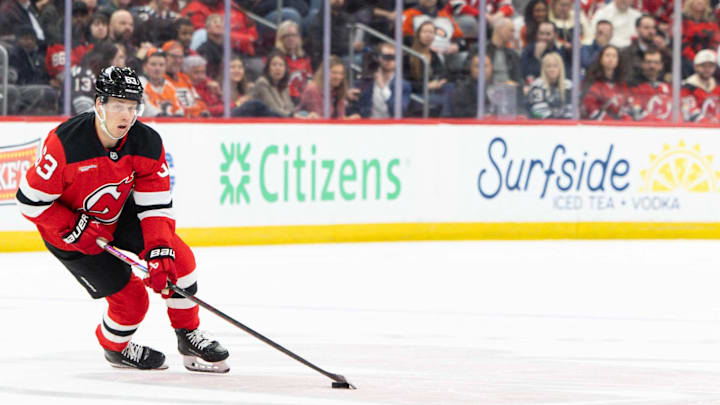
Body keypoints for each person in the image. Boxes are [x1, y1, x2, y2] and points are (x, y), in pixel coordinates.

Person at [15, 66, 230, 372]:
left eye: (132, 107)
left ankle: (187, 333)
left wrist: (158, 248)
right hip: (69, 234)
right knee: (132, 302)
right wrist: (72, 227)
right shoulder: (64, 144)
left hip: (119, 215)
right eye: (118, 106)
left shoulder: (146, 143)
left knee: (178, 260)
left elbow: (155, 206)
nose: (127, 116)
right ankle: (115, 348)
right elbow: (29, 202)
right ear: (99, 104)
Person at [354, 42, 411, 119]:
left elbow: (398, 111)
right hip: (368, 125)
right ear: (378, 58)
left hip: (391, 127)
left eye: (393, 57)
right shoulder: (367, 80)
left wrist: (383, 87)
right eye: (386, 57)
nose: (389, 60)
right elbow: (358, 107)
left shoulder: (403, 85)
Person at [581, 45, 633, 120]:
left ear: (618, 60)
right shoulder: (591, 82)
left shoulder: (623, 84)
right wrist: (613, 123)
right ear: (600, 59)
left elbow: (628, 107)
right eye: (607, 55)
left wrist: (625, 121)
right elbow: (591, 108)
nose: (611, 59)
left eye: (614, 56)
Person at [162, 41, 209, 118]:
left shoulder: (184, 78)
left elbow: (197, 99)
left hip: (196, 120)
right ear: (164, 57)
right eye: (174, 57)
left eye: (181, 57)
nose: (178, 61)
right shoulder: (160, 80)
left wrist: (203, 110)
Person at [274, 20, 313, 103]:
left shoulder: (304, 58)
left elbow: (310, 80)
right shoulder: (276, 58)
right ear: (281, 38)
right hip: (284, 99)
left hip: (303, 99)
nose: (291, 38)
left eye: (294, 35)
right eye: (287, 35)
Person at [629, 48, 672, 121]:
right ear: (642, 64)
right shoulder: (633, 85)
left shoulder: (668, 86)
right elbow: (635, 112)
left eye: (656, 62)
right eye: (648, 62)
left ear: (661, 65)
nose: (652, 66)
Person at [527, 52, 572, 119]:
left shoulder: (568, 85)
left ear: (560, 68)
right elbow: (538, 109)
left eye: (555, 66)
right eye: (548, 66)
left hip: (565, 125)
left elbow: (571, 109)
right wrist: (555, 124)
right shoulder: (537, 85)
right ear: (544, 69)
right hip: (543, 125)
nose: (552, 69)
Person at [140, 49, 184, 117]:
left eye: (161, 65)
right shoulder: (139, 84)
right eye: (153, 64)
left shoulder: (169, 85)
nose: (157, 68)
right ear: (145, 66)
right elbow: (148, 110)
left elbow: (179, 110)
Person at [681, 49, 720, 122]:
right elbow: (689, 110)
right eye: (703, 66)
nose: (707, 69)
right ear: (695, 67)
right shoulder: (687, 86)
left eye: (710, 66)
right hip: (695, 128)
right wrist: (708, 122)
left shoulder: (717, 86)